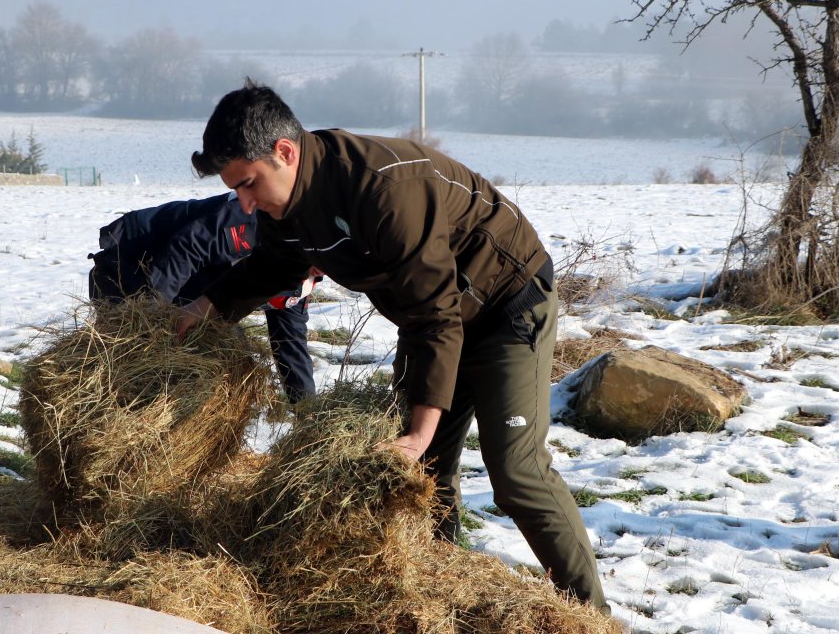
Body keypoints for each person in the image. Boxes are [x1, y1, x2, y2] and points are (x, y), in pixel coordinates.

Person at [176, 81, 609, 612]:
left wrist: (420, 430)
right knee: (419, 477)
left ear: (284, 153)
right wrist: (203, 308)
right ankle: (439, 602)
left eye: (247, 183)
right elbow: (272, 267)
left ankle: (592, 616)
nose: (243, 202)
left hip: (505, 305)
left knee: (516, 473)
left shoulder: (381, 186)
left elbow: (435, 313)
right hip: (434, 319)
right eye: (235, 190)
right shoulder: (285, 206)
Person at [90, 191, 316, 403]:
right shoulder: (258, 220)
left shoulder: (302, 278)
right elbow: (187, 249)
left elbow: (290, 341)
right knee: (132, 370)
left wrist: (306, 414)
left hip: (192, 283)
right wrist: (152, 316)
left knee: (219, 355)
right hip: (135, 262)